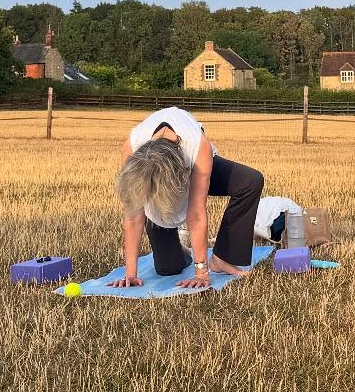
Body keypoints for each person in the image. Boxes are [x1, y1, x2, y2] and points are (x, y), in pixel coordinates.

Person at [112, 106, 264, 289]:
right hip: (156, 179)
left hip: (195, 167)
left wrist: (201, 273)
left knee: (250, 181)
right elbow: (133, 216)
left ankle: (222, 259)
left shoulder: (197, 146)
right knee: (168, 268)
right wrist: (130, 274)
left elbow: (196, 214)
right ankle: (183, 252)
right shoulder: (132, 148)